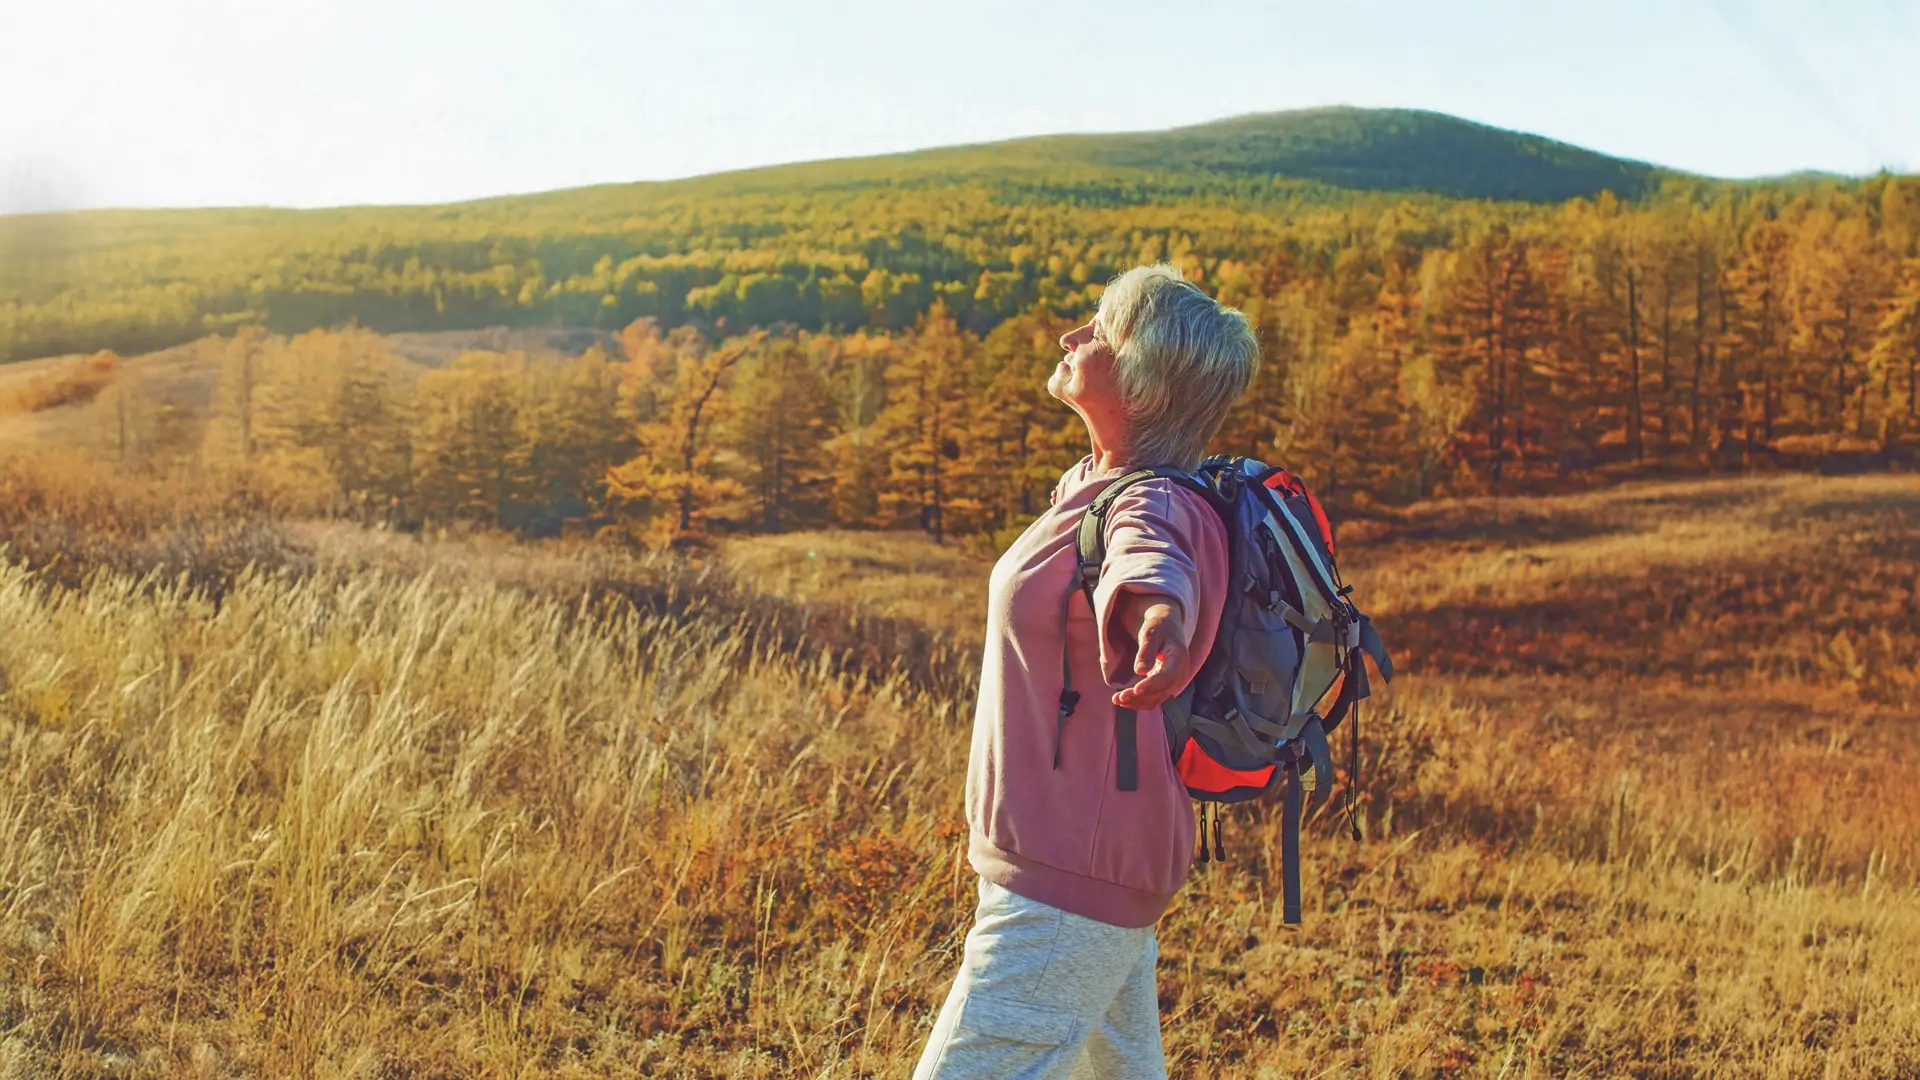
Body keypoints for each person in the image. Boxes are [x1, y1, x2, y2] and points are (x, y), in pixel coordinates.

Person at [914, 265, 1259, 1079]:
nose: (1074, 337)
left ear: (1143, 380)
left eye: (1102, 329)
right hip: (1077, 857)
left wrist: (1160, 616)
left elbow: (1151, 559)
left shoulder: (1155, 503)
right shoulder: (1095, 484)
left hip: (1071, 877)